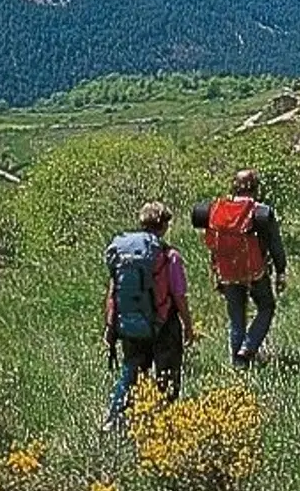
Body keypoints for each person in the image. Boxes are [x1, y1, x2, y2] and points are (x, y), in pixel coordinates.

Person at [103, 201, 195, 427]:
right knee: (167, 375)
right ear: (164, 225)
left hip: (131, 322)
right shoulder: (169, 256)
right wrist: (188, 326)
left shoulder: (123, 253)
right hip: (164, 324)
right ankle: (165, 424)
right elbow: (179, 296)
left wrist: (110, 327)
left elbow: (113, 292)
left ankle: (114, 419)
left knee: (131, 371)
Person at [192, 170, 287, 367]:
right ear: (255, 188)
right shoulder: (260, 211)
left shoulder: (216, 208)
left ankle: (238, 363)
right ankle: (248, 348)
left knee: (236, 317)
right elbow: (275, 245)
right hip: (254, 270)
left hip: (227, 271)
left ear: (233, 186)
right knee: (266, 307)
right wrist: (281, 271)